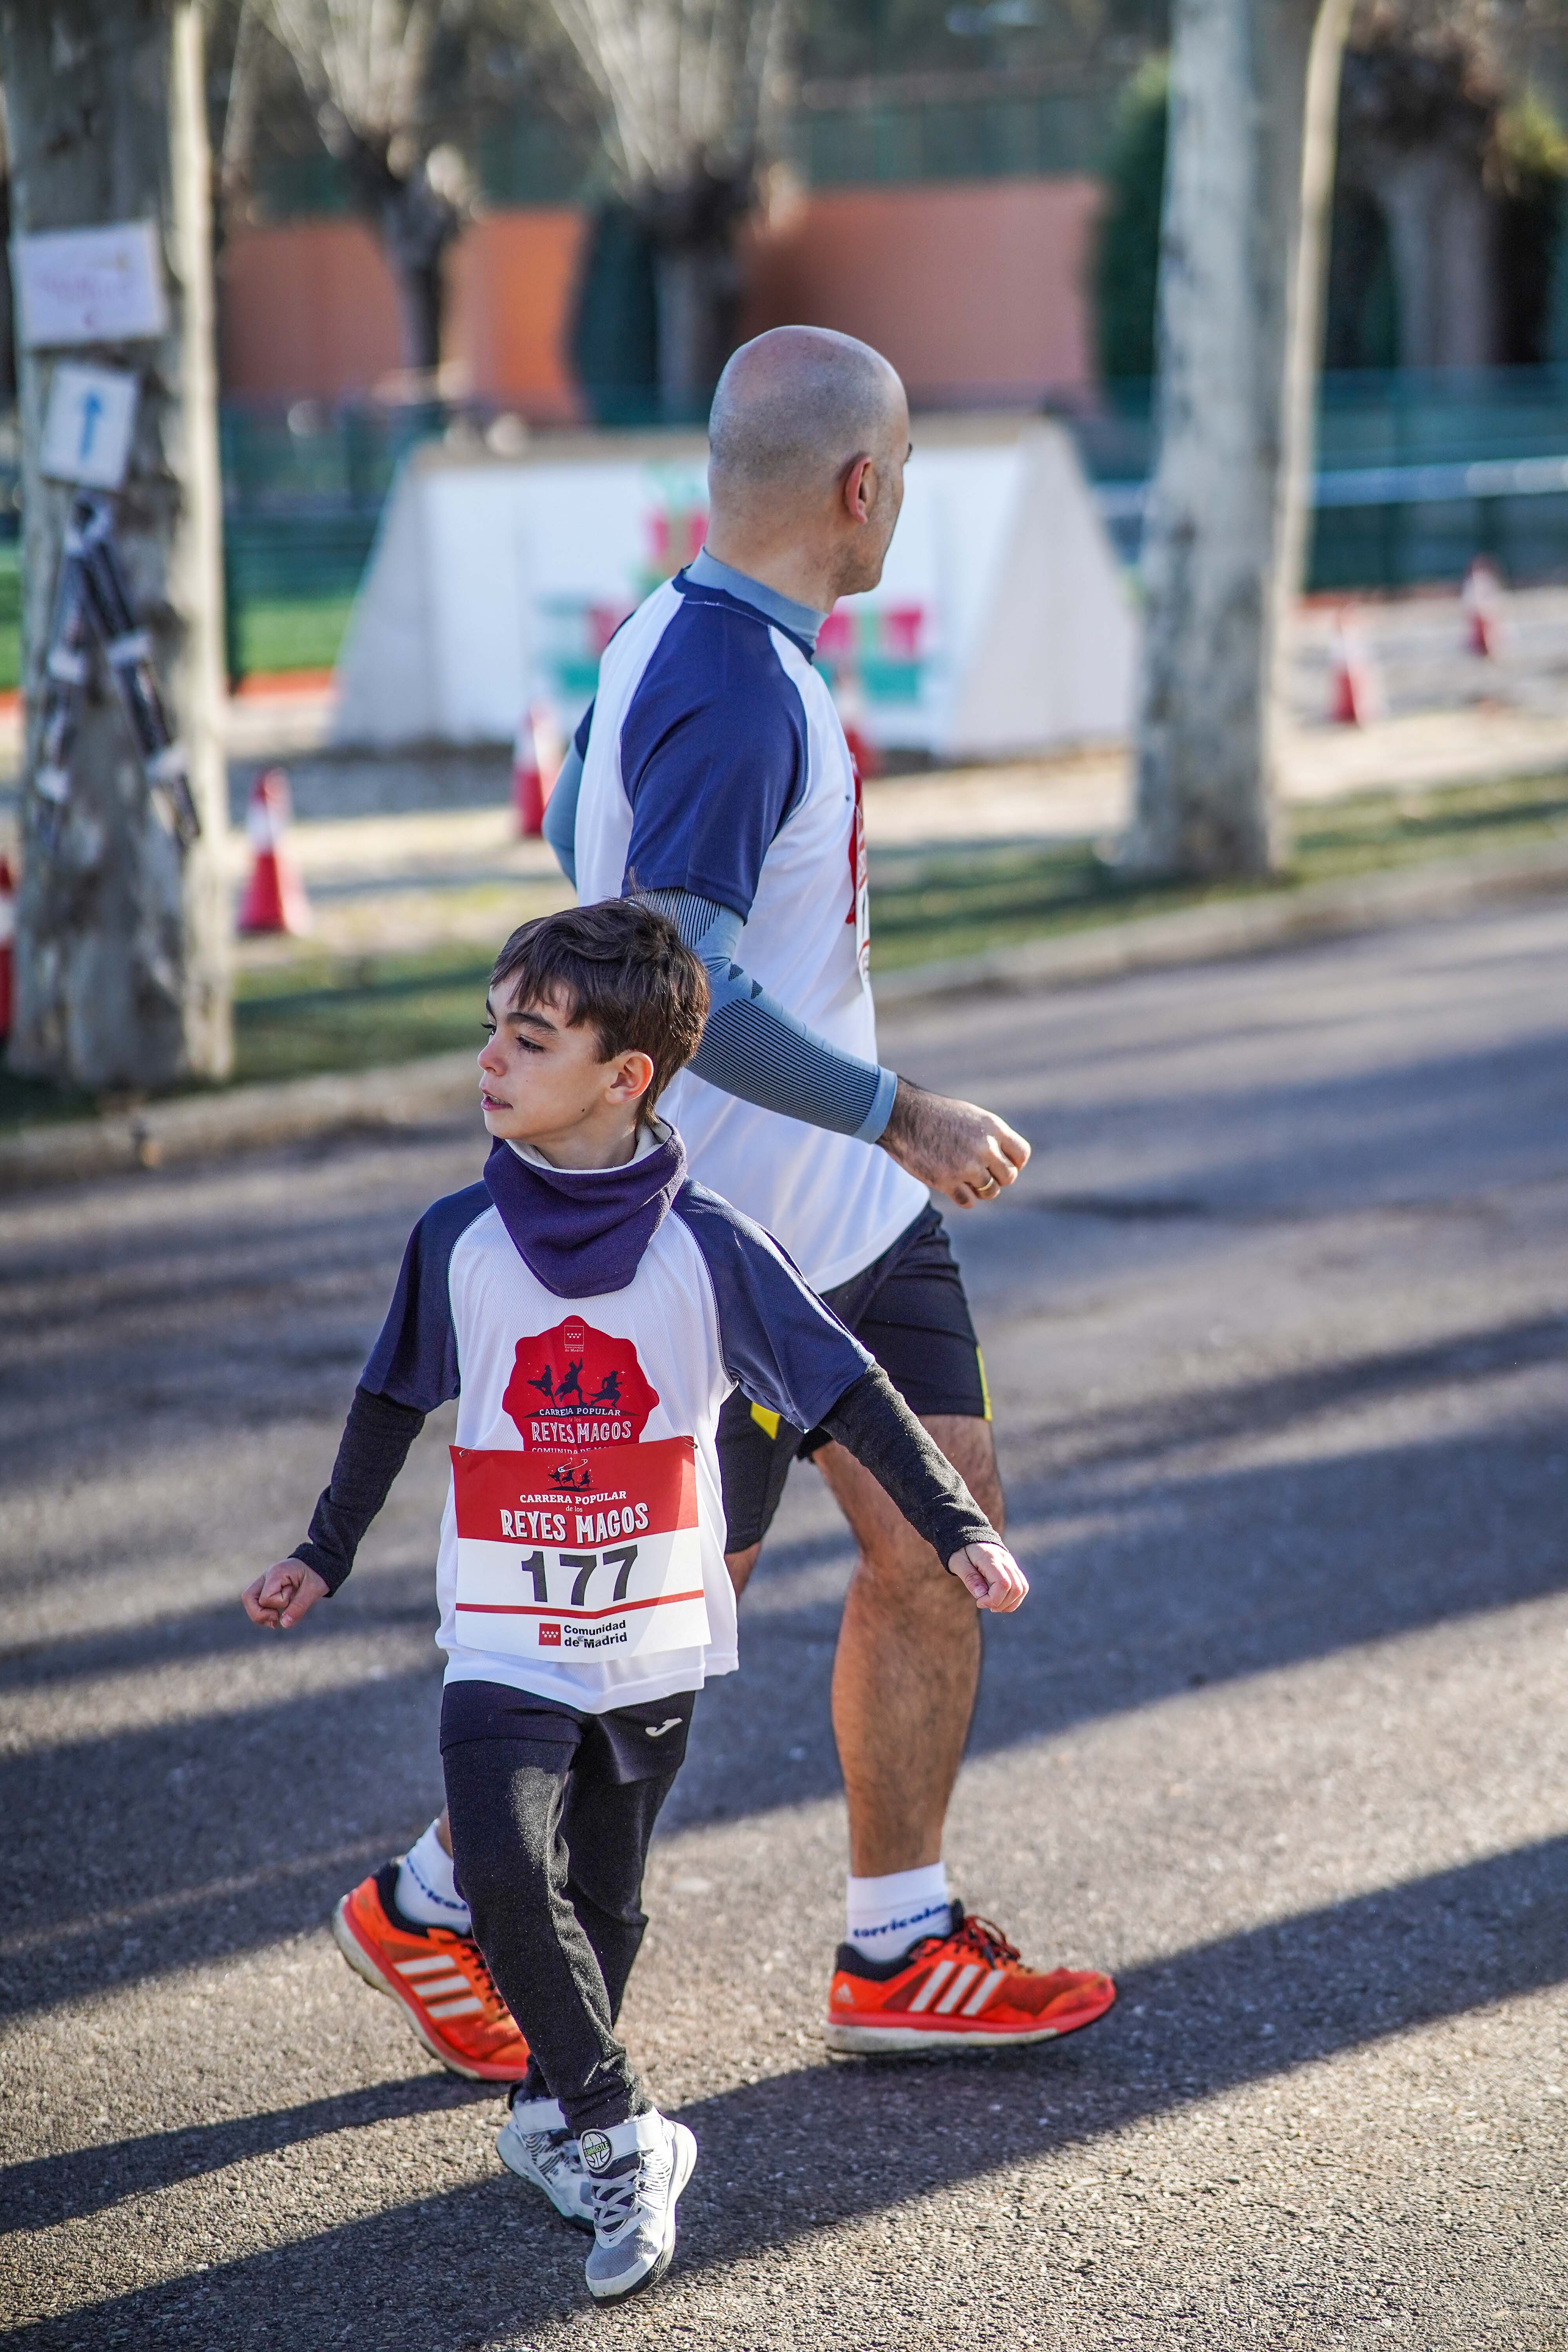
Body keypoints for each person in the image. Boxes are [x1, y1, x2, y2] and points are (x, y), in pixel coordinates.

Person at [332, 321, 1117, 2076]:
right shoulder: (740, 686)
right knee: (647, 1625)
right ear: (856, 487)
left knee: (939, 1523)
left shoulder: (664, 646)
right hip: (730, 1244)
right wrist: (889, 1109)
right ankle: (435, 1900)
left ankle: (899, 1942)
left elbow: (581, 877)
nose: (897, 501)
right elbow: (677, 975)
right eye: (898, 475)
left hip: (838, 1226)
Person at [243, 904, 1028, 2301]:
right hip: (503, 1632)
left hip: (653, 1631)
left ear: (628, 1079)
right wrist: (323, 1549)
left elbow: (849, 1388)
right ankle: (620, 2132)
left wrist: (955, 1525)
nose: (490, 1058)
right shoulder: (457, 1237)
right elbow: (388, 1400)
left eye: (528, 1037)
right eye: (490, 1026)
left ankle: (552, 2110)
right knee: (499, 1866)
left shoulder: (714, 1248)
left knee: (604, 1894)